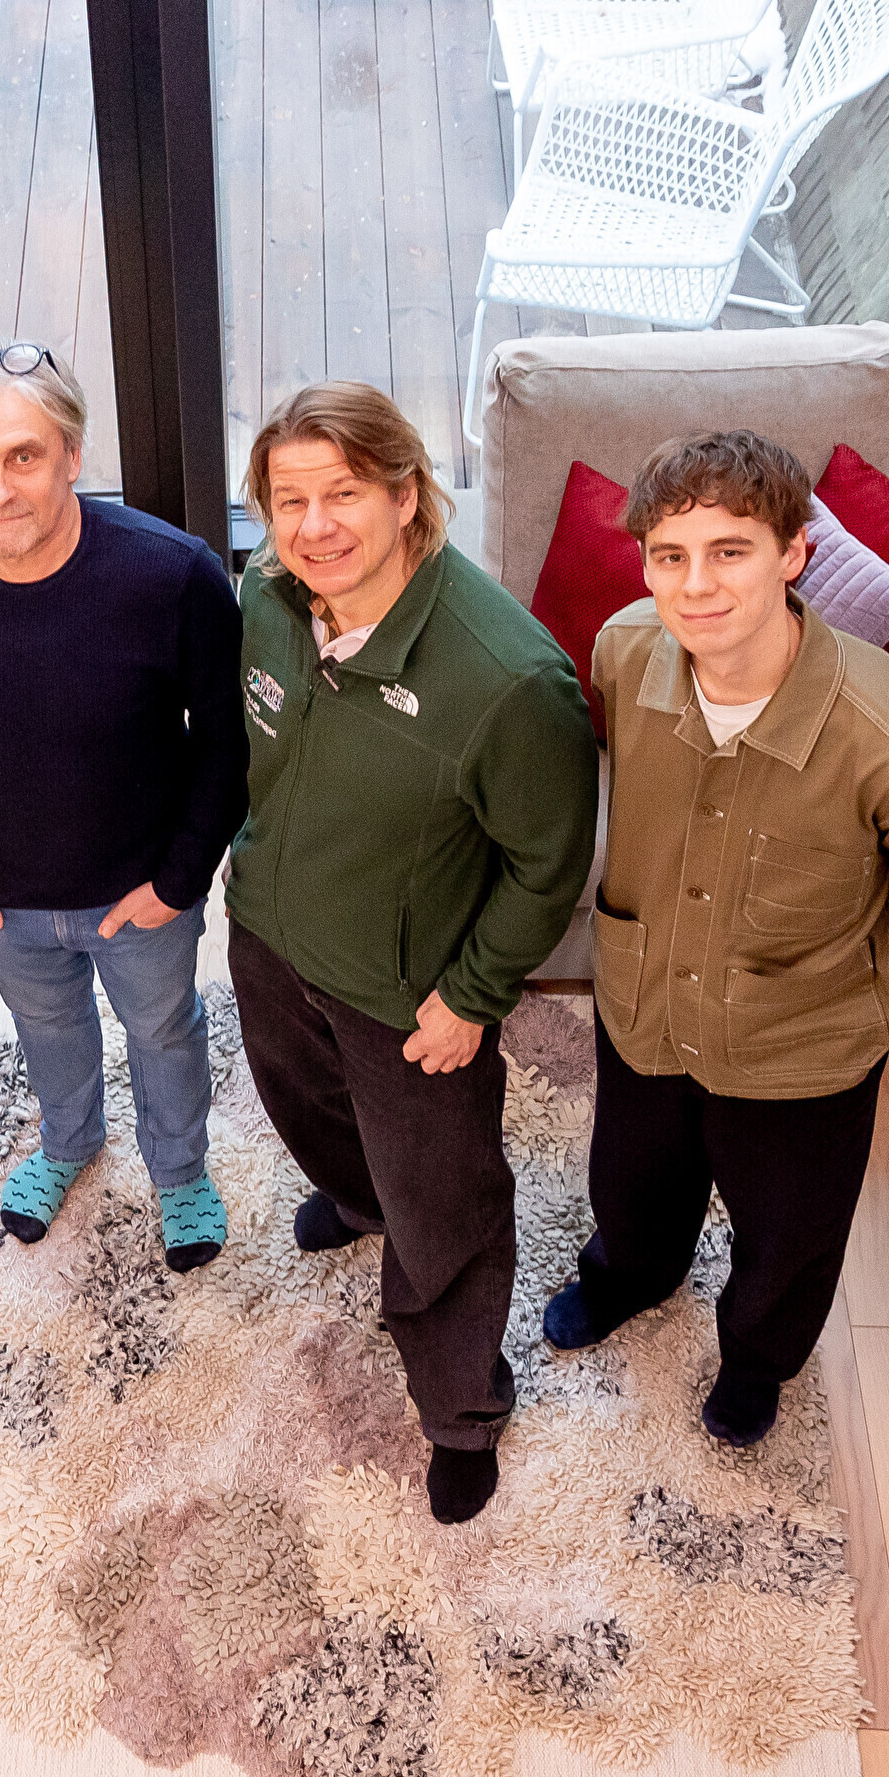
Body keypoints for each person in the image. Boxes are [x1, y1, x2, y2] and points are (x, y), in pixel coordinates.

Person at [542, 431, 889, 1445]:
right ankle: (629, 1274)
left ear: (795, 552)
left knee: (790, 1233)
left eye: (730, 551)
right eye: (669, 555)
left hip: (802, 1043)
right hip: (647, 1003)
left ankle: (756, 1360)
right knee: (630, 1179)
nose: (695, 585)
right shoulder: (622, 649)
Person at [227, 382, 600, 1525]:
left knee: (444, 1207)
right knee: (306, 1112)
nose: (313, 526)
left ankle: (462, 1408)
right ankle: (355, 1197)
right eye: (288, 499)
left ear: (404, 494)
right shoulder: (266, 597)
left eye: (343, 493)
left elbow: (548, 862)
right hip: (272, 934)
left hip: (411, 995)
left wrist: (473, 995)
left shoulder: (511, 680)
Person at [0, 344, 248, 1278]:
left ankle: (179, 1171)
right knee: (45, 1027)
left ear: (73, 455)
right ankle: (69, 1140)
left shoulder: (174, 575)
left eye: (23, 456)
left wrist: (178, 882)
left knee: (162, 1031)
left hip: (140, 890)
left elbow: (225, 744)